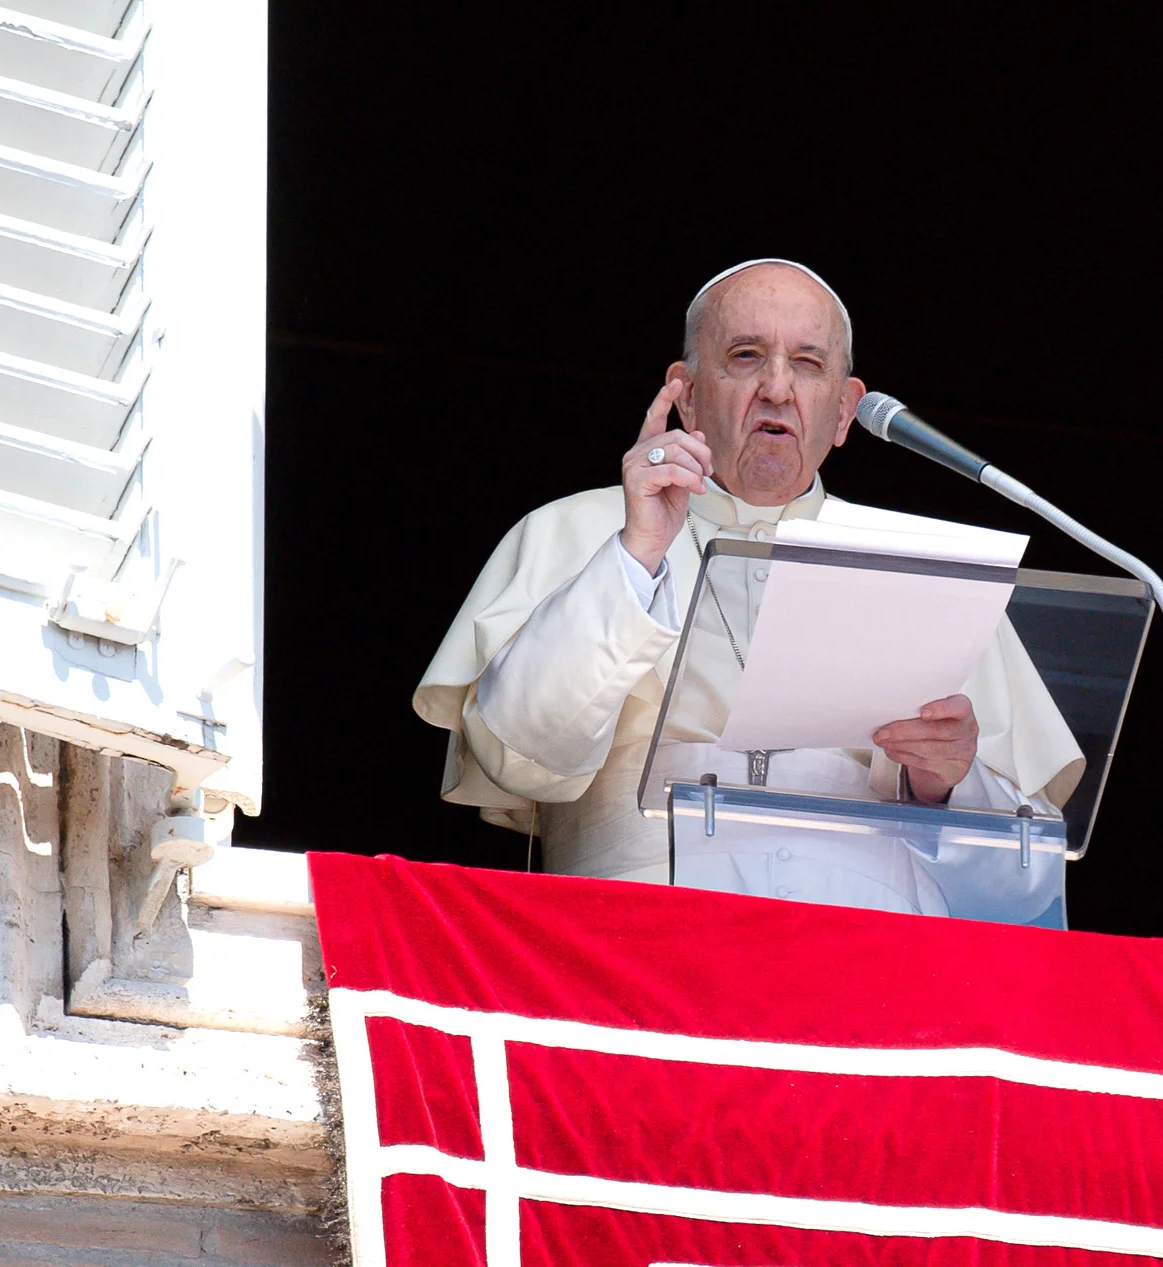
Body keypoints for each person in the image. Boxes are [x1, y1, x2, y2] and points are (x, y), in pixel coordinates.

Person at [414, 260, 1083, 916]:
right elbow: (518, 755)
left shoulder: (931, 564)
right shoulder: (576, 528)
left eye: (808, 364)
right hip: (634, 939)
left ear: (845, 411)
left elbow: (1026, 891)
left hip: (873, 967)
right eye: (745, 355)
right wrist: (637, 553)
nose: (777, 387)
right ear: (687, 393)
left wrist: (947, 785)